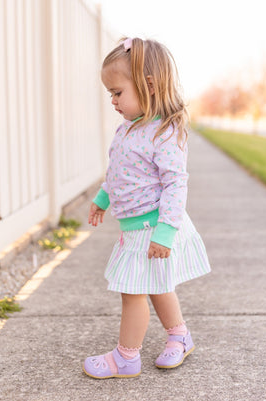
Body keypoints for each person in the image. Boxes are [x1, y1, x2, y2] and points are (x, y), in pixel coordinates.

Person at [83, 37, 211, 379]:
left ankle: (126, 357)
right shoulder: (126, 130)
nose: (112, 100)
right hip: (134, 230)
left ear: (149, 86)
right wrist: (102, 199)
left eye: (117, 92)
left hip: (154, 228)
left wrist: (165, 233)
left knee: (133, 291)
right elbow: (119, 173)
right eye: (110, 93)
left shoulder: (164, 134)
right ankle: (180, 337)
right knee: (156, 286)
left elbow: (175, 184)